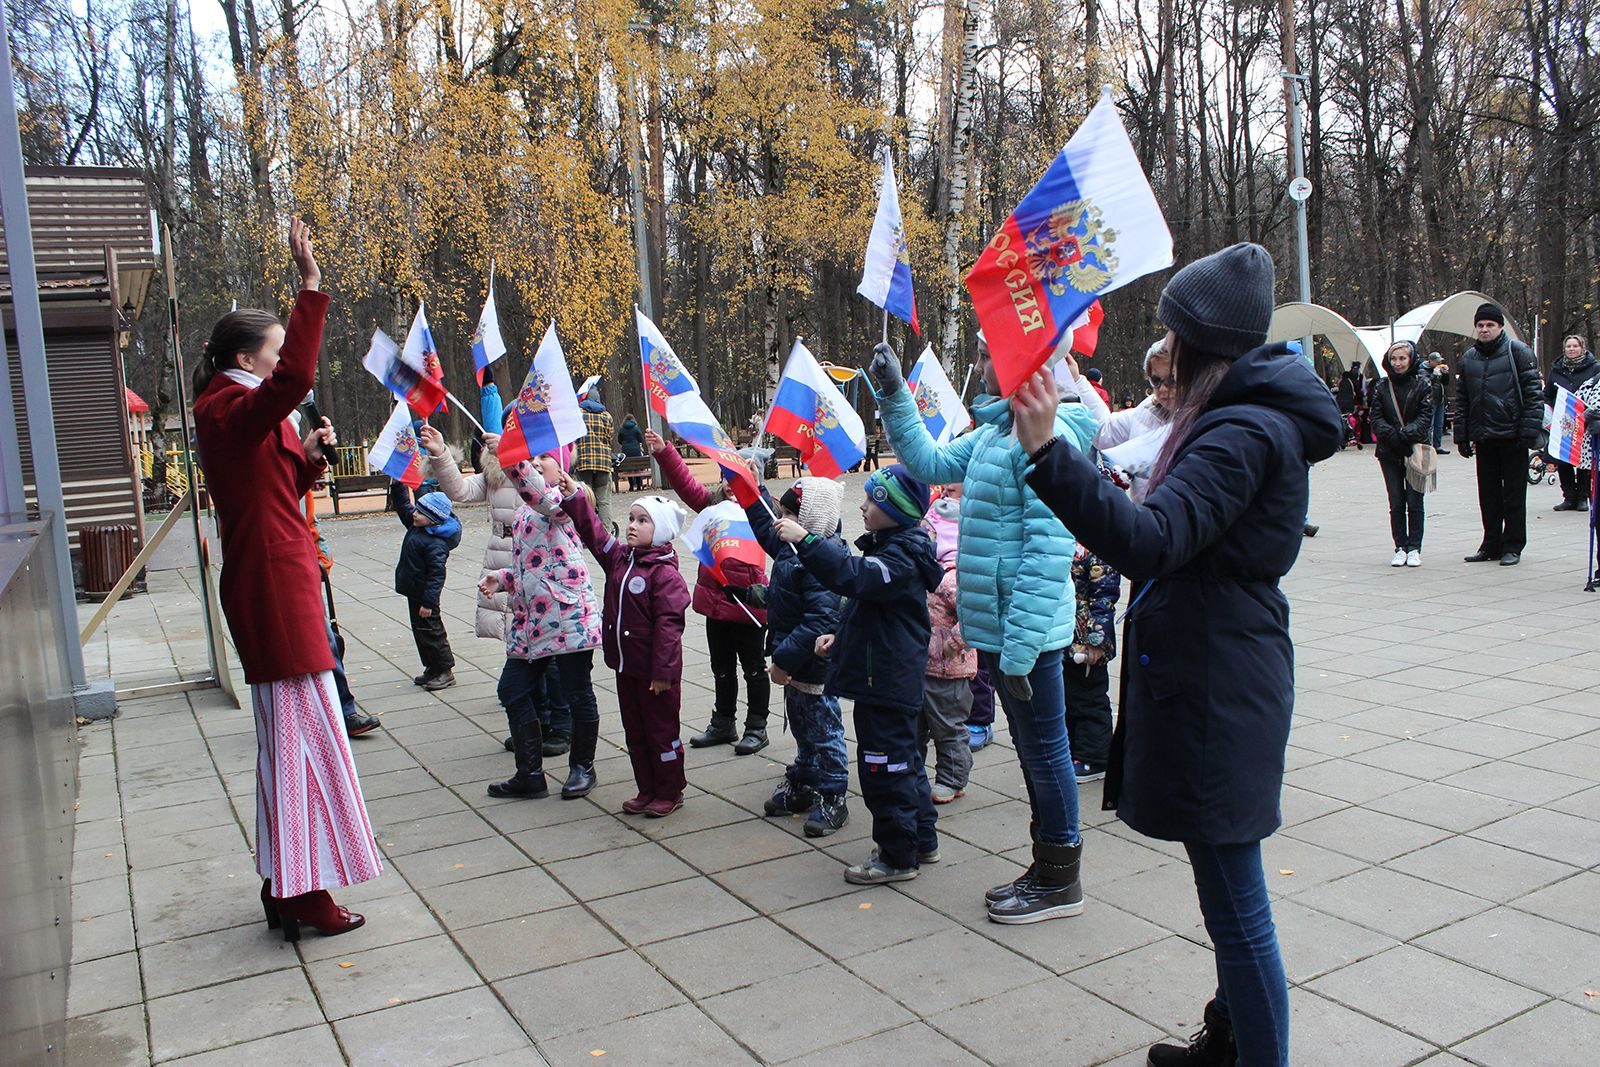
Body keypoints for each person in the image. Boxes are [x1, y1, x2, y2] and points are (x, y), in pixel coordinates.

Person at [1011, 242, 1343, 1067]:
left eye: (1172, 333)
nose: (1162, 348)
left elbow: (1155, 543)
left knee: (1237, 904)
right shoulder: (1234, 415)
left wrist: (1051, 454)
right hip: (1218, 666)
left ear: (1204, 344)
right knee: (1224, 888)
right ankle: (1228, 1042)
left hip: (1219, 681)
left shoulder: (1241, 430)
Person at [191, 217, 380, 941]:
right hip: (273, 588)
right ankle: (301, 893)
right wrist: (309, 284)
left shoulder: (233, 408)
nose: (281, 364)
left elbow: (268, 482)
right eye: (271, 350)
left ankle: (288, 884)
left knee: (298, 743)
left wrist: (310, 456)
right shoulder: (229, 405)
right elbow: (298, 375)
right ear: (246, 356)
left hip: (278, 578)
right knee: (304, 744)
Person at [870, 333, 1099, 924]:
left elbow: (1048, 553)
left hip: (1029, 640)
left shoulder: (1046, 437)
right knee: (1033, 753)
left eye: (984, 354)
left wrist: (1019, 653)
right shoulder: (999, 430)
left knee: (1047, 755)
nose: (976, 365)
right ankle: (1046, 867)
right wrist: (895, 393)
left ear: (1026, 363)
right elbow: (929, 463)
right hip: (1003, 634)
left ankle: (1059, 879)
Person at [774, 465, 943, 885]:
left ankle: (896, 856)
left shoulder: (899, 557)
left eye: (873, 501)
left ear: (896, 511)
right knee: (906, 764)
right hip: (883, 678)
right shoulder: (893, 548)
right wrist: (840, 637)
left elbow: (854, 577)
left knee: (884, 770)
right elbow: (868, 607)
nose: (863, 506)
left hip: (886, 684)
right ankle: (920, 839)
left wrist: (808, 541)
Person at [475, 448, 604, 800]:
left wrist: (508, 453)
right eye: (529, 459)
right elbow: (532, 565)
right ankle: (529, 774)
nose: (533, 464)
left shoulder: (566, 501)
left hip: (568, 618)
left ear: (563, 465)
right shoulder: (524, 511)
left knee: (577, 692)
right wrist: (501, 579)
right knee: (512, 691)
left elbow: (537, 492)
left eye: (542, 457)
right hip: (530, 621)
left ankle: (582, 768)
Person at [562, 487, 692, 817]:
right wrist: (575, 496)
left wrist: (663, 673)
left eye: (643, 520)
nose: (632, 525)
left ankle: (669, 790)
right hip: (626, 667)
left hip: (655, 675)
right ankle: (646, 788)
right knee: (635, 732)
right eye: (631, 518)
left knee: (661, 734)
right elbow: (594, 532)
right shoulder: (620, 558)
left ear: (660, 531)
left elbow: (669, 630)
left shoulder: (665, 576)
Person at [732, 475, 850, 836]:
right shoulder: (791, 548)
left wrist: (783, 659)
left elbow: (820, 620)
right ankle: (805, 777)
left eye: (788, 515)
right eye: (780, 513)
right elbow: (767, 524)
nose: (780, 520)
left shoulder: (822, 562)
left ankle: (833, 794)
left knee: (824, 729)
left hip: (814, 665)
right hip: (795, 661)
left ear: (811, 521)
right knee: (801, 725)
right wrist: (747, 487)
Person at [646, 429, 773, 754]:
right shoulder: (711, 503)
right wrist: (664, 451)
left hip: (750, 605)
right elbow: (686, 484)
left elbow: (773, 525)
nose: (732, 484)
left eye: (739, 476)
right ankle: (723, 721)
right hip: (715, 604)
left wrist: (756, 488)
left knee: (755, 669)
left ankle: (757, 725)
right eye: (727, 476)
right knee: (721, 667)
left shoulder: (760, 509)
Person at [1454, 303, 1543, 566]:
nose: (1484, 329)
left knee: (1514, 494)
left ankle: (1513, 545)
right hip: (1484, 437)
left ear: (1500, 327)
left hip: (1513, 435)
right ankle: (1490, 543)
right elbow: (1464, 400)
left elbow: (1533, 395)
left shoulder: (1518, 352)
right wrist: (1462, 435)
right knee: (1488, 495)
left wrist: (1528, 430)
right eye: (1480, 325)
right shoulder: (1469, 358)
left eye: (1490, 325)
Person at [1059, 337, 1176, 502]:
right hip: (1145, 518)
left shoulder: (1205, 418)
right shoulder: (1146, 411)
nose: (1163, 389)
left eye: (1173, 379)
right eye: (1156, 380)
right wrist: (1077, 380)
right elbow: (1104, 429)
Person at [921, 485, 974, 803]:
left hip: (950, 669)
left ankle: (953, 777)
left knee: (948, 727)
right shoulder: (930, 574)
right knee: (921, 722)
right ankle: (924, 771)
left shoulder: (954, 578)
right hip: (924, 665)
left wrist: (954, 643)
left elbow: (973, 617)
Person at [1368, 341, 1434, 567]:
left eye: (1402, 359)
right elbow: (1376, 417)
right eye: (1394, 359)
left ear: (1411, 359)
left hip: (1415, 449)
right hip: (1389, 451)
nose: (1398, 363)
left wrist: (1407, 434)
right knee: (1396, 501)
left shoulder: (1423, 384)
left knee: (1415, 500)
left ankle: (1414, 546)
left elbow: (1426, 417)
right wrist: (1393, 436)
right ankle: (1400, 546)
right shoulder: (1381, 386)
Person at [395, 489, 462, 689]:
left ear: (433, 519)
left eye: (420, 513)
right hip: (414, 591)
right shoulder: (418, 525)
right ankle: (432, 667)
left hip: (425, 596)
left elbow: (436, 576)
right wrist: (397, 483)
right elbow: (402, 506)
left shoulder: (436, 544)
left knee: (432, 631)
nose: (414, 514)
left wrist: (429, 603)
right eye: (416, 510)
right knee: (421, 632)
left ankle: (444, 669)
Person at [1066, 536, 1120, 783]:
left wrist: (1096, 640)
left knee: (1089, 698)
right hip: (1064, 636)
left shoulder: (1094, 545)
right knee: (1067, 696)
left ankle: (1094, 758)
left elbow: (1105, 597)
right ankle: (1072, 749)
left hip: (1087, 640)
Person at [1545, 335, 1598, 511]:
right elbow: (1548, 393)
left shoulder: (1594, 369)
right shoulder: (1557, 370)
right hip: (1562, 422)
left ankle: (1583, 497)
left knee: (1583, 459)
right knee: (1563, 459)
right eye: (1568, 346)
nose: (1571, 349)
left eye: (1575, 346)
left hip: (1584, 420)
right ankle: (1569, 497)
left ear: (1582, 348)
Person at [574, 385, 617, 528]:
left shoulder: (578, 415)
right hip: (603, 464)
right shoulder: (607, 416)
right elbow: (609, 438)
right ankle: (606, 531)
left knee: (586, 499)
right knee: (603, 500)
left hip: (583, 462)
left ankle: (588, 531)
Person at [1427, 352, 1452, 454]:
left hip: (1440, 399)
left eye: (1439, 361)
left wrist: (1445, 374)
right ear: (1431, 361)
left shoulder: (1439, 370)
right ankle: (1428, 446)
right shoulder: (1425, 370)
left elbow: (1445, 383)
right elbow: (1427, 383)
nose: (1438, 363)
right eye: (1436, 361)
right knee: (1430, 424)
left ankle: (1437, 445)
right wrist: (1433, 374)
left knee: (1439, 424)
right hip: (1431, 400)